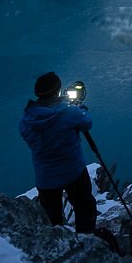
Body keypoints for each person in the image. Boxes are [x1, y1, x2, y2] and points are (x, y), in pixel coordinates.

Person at [19, 71, 97, 234]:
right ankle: (86, 239)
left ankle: (58, 244)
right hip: (73, 171)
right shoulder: (69, 113)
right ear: (57, 91)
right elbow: (87, 122)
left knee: (52, 218)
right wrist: (77, 106)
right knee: (85, 207)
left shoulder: (26, 120)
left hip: (45, 177)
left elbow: (34, 137)